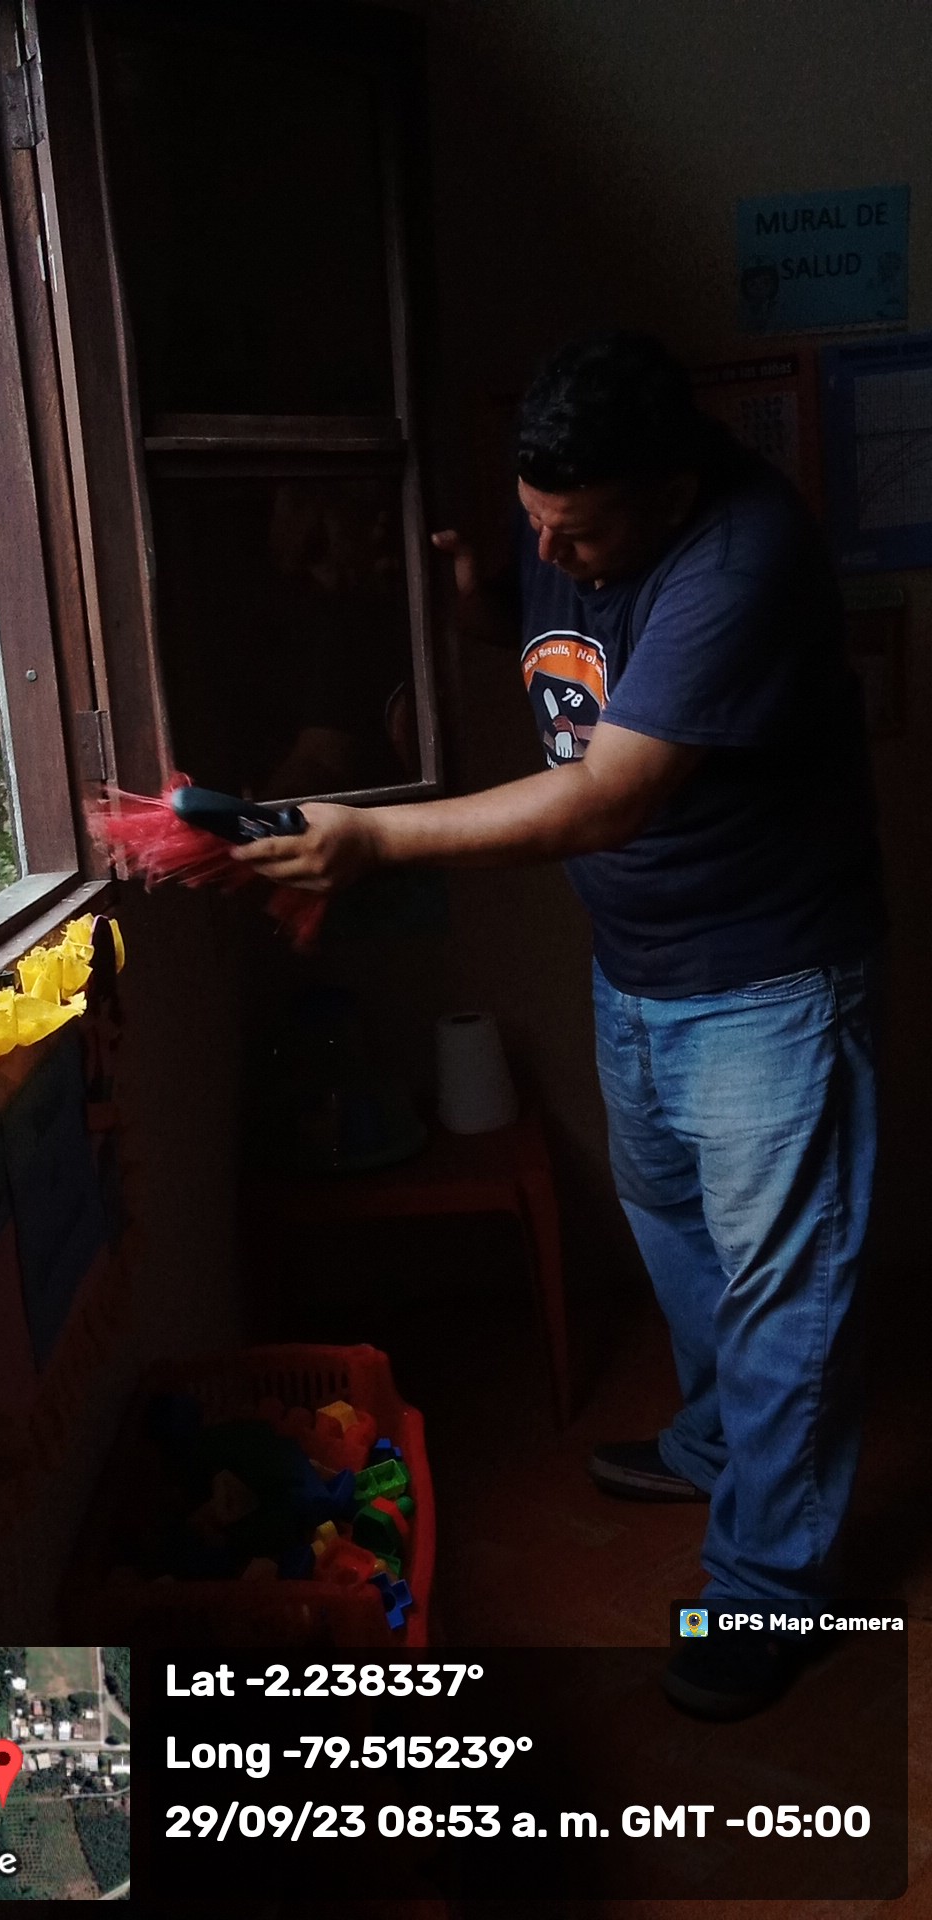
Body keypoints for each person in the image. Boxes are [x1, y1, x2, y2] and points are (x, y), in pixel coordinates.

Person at [233, 333, 886, 1717]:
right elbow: (558, 652)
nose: (553, 551)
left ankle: (774, 1589)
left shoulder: (743, 558)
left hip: (768, 981)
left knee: (784, 1292)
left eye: (576, 534)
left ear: (669, 491)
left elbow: (609, 794)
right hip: (636, 967)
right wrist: (479, 594)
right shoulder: (567, 517)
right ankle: (719, 1447)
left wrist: (375, 839)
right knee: (677, 1237)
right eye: (536, 524)